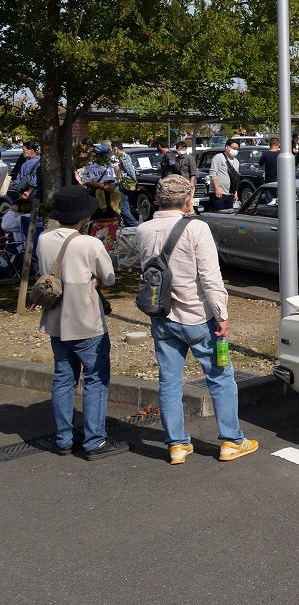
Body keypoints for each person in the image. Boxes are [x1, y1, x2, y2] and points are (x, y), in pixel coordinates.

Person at [137, 175, 256, 464]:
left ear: (157, 199)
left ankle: (177, 445)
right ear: (189, 199)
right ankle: (231, 440)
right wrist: (222, 315)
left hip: (162, 316)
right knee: (220, 378)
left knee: (169, 382)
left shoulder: (142, 229)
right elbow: (210, 277)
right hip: (198, 317)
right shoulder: (196, 228)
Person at [39, 186, 127, 459]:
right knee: (95, 379)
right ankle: (94, 441)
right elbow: (109, 277)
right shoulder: (89, 243)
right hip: (86, 319)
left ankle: (64, 438)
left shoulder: (43, 239)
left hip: (56, 319)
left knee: (64, 379)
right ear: (82, 216)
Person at [110, 141, 140, 227]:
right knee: (125, 205)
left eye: (112, 149)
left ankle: (134, 224)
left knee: (122, 206)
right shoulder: (120, 157)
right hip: (123, 183)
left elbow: (130, 170)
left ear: (115, 148)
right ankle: (128, 223)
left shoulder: (124, 157)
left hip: (125, 184)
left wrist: (135, 181)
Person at [207, 141, 239, 211]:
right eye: (234, 148)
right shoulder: (219, 157)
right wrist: (217, 188)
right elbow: (213, 173)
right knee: (218, 215)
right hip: (219, 193)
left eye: (237, 149)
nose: (235, 151)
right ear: (227, 147)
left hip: (230, 194)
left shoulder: (236, 162)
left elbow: (235, 177)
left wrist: (235, 192)